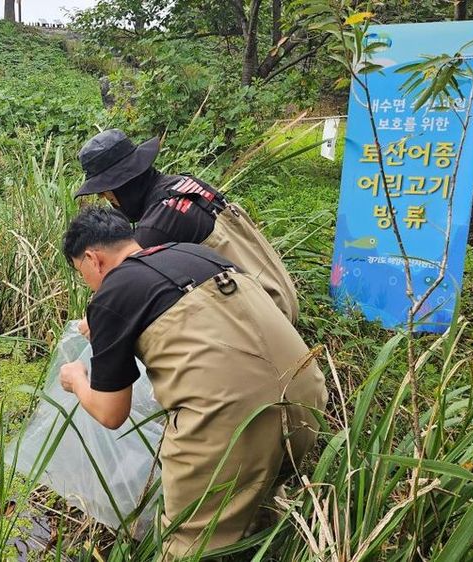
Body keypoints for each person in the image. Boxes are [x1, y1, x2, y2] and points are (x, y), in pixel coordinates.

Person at [59, 207, 327, 559]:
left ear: (92, 259)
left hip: (232, 420)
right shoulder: (195, 254)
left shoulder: (111, 295)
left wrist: (77, 380)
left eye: (82, 274)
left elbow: (112, 413)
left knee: (187, 545)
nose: (90, 286)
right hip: (307, 396)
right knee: (260, 513)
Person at [75, 128, 300, 325]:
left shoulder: (158, 224)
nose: (107, 199)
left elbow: (120, 293)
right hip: (278, 297)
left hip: (267, 316)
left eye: (105, 192)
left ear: (121, 184)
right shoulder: (182, 185)